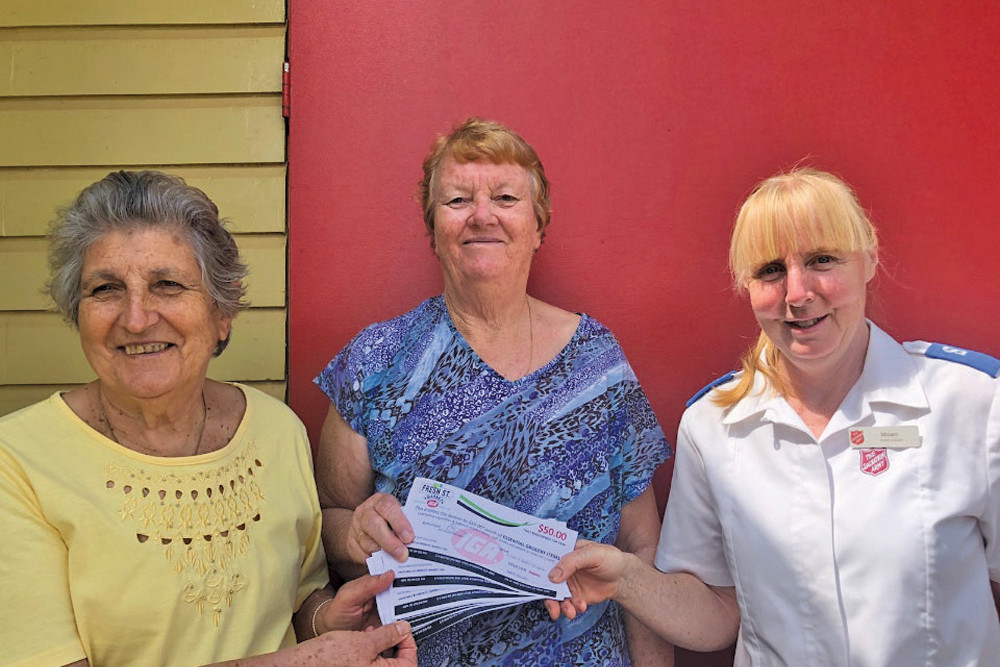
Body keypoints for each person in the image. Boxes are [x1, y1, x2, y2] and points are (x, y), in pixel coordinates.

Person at [547, 167, 1000, 665]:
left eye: (822, 260)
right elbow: (718, 614)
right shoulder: (713, 426)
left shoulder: (973, 402)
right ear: (746, 285)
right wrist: (628, 579)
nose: (797, 293)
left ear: (869, 258)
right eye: (770, 271)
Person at [0, 171, 416, 667]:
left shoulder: (274, 430)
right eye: (106, 288)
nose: (136, 318)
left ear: (222, 313)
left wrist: (327, 619)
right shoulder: (19, 461)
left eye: (167, 285)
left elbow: (301, 595)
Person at [314, 117, 672, 666]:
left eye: (505, 197)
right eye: (458, 199)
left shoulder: (599, 364)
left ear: (538, 225)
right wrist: (356, 531)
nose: (483, 215)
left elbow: (640, 550)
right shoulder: (376, 360)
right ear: (432, 227)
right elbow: (330, 517)